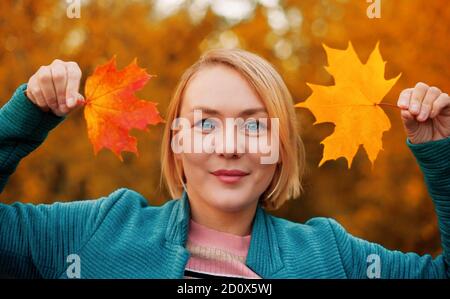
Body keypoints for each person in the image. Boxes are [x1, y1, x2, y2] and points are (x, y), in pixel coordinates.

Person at [0, 48, 449, 279]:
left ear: (282, 150)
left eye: (255, 126)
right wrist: (27, 116)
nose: (230, 146)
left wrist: (441, 156)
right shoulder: (94, 234)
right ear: (177, 143)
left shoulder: (331, 256)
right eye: (206, 124)